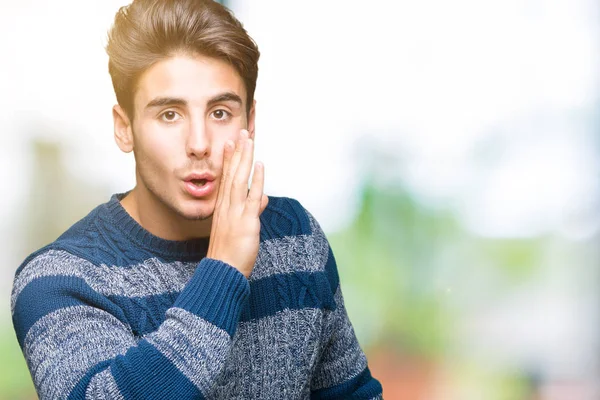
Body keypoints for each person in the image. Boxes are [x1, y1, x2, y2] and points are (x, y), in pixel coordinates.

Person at [11, 0, 383, 398]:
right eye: (170, 114)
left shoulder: (296, 238)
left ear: (250, 122)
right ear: (124, 128)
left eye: (221, 113)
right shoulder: (60, 280)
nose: (199, 144)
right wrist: (223, 269)